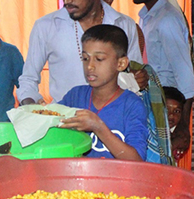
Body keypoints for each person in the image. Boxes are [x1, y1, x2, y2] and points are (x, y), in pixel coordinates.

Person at [18, 0, 142, 105]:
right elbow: (28, 79)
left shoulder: (124, 25)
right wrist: (30, 107)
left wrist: (138, 78)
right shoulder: (46, 26)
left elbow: (134, 75)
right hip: (64, 118)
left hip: (112, 117)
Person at [130, 0, 194, 152]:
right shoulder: (149, 17)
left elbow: (185, 75)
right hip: (154, 104)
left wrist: (183, 125)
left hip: (168, 109)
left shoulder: (167, 20)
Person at [59, 25, 148, 161]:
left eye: (99, 59)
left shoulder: (131, 105)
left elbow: (136, 161)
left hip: (114, 175)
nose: (90, 66)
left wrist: (98, 127)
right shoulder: (75, 96)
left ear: (121, 64)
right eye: (85, 58)